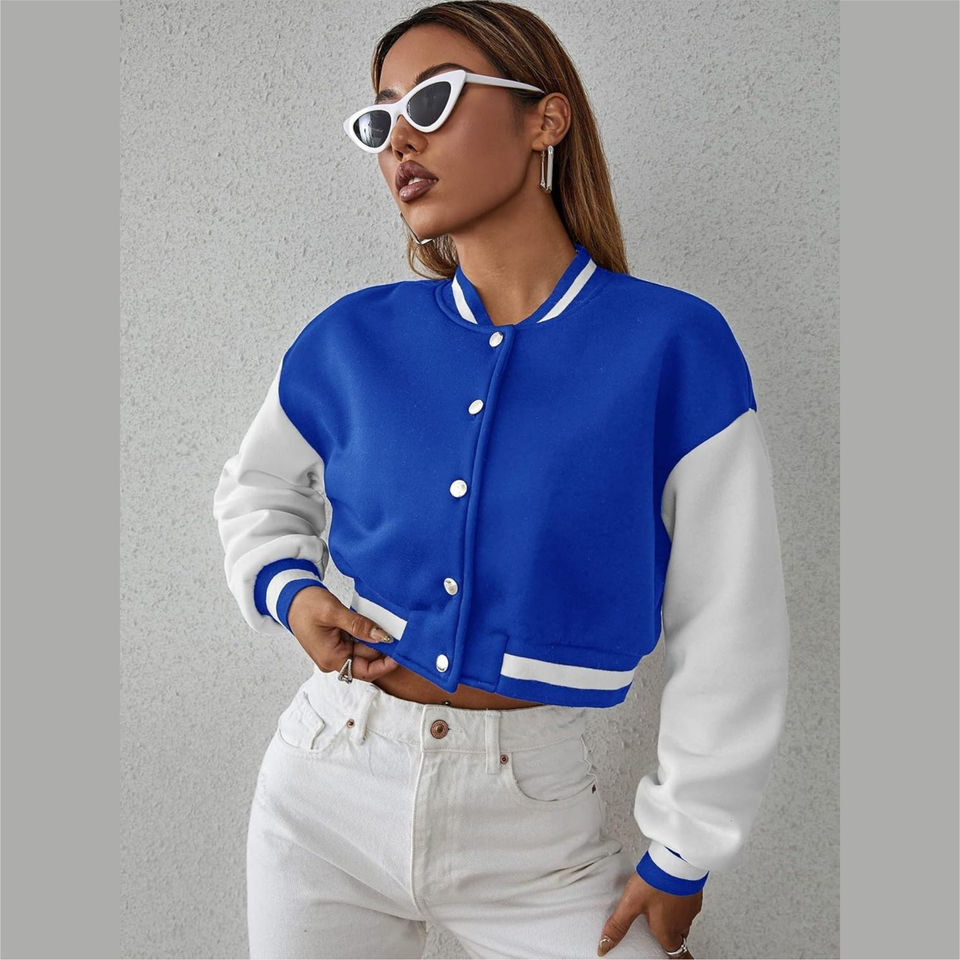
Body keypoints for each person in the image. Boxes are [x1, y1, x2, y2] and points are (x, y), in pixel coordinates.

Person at [212, 2, 790, 958]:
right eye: (381, 119)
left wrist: (686, 848)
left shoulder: (673, 346)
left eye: (432, 102)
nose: (400, 141)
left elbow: (733, 613)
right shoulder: (352, 338)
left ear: (544, 120)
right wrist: (290, 591)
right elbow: (254, 490)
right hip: (325, 788)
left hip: (537, 823)